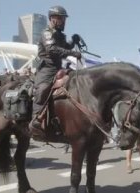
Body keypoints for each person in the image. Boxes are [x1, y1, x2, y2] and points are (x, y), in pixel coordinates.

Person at [29, 5, 82, 136]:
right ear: (52, 18)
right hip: (47, 69)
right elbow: (52, 49)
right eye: (61, 19)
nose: (63, 21)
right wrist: (72, 53)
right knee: (43, 89)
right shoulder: (47, 32)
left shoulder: (60, 35)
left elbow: (64, 47)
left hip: (58, 68)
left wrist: (73, 42)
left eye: (64, 19)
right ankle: (35, 119)